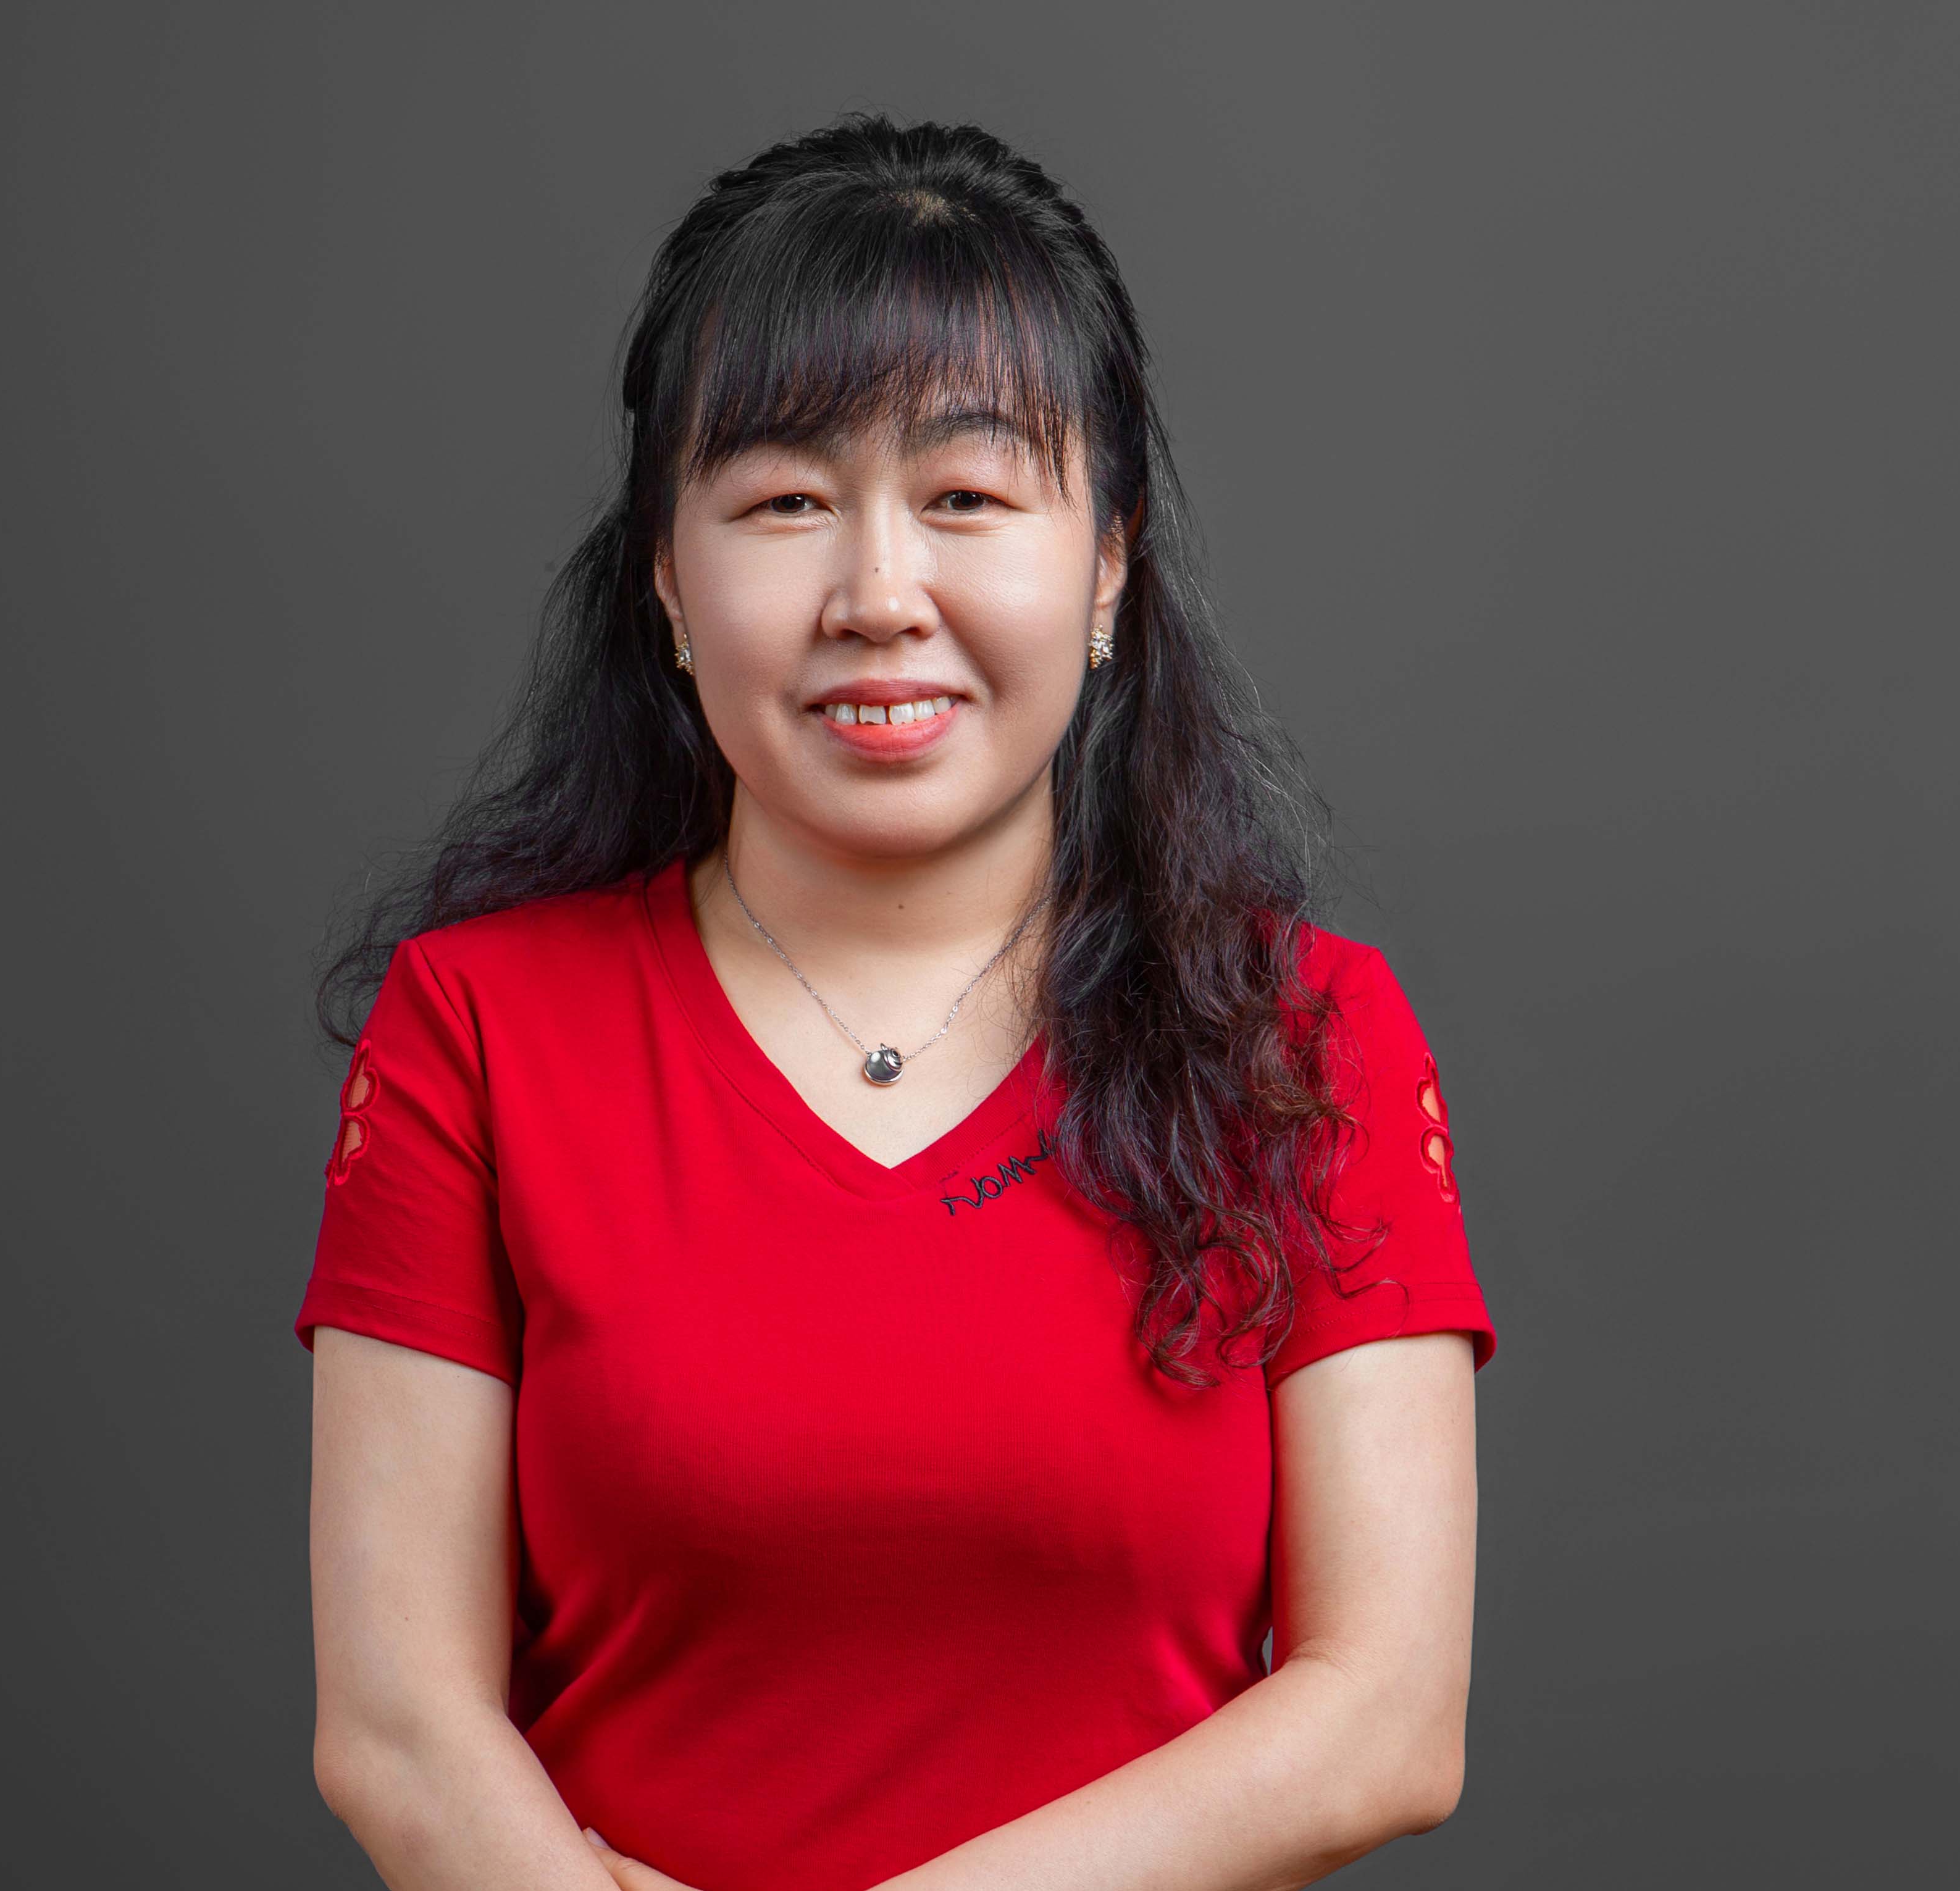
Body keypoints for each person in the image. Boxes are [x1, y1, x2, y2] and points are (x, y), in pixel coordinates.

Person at [296, 112, 1496, 1891]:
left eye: (967, 498)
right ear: (666, 576)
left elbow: (1385, 1715)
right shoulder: (473, 1030)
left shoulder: (1301, 1036)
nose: (877, 595)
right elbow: (400, 1725)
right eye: (786, 501)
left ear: (1108, 561)